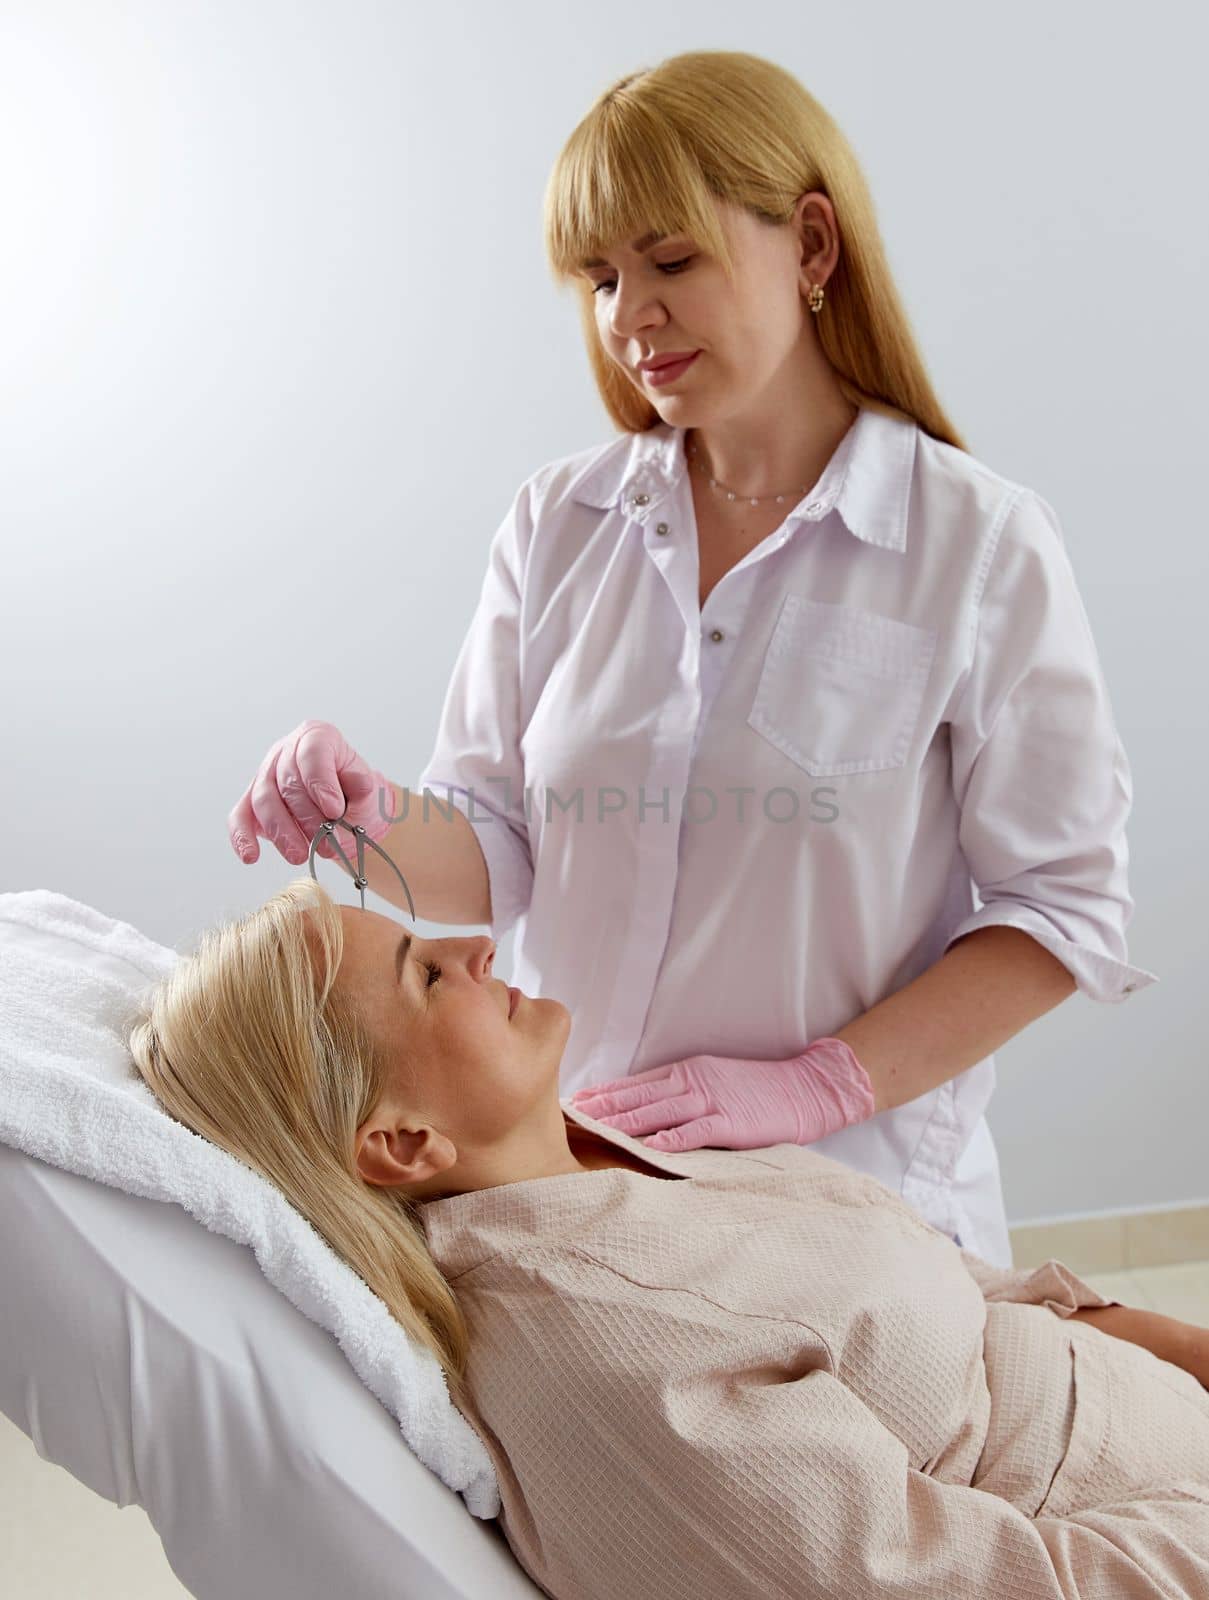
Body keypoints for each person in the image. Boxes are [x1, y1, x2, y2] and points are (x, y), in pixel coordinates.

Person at [228, 49, 1157, 1268]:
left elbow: (1063, 913)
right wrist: (372, 816)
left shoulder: (975, 548)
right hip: (580, 1195)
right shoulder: (558, 524)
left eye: (671, 261)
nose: (628, 317)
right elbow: (496, 846)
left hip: (853, 1222)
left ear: (814, 247)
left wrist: (821, 1084)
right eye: (600, 278)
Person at [127, 882, 1209, 1599]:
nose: (476, 941)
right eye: (425, 973)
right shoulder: (614, 1359)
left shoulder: (600, 1149)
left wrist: (1169, 1343)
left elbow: (963, 1290)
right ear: (404, 1141)